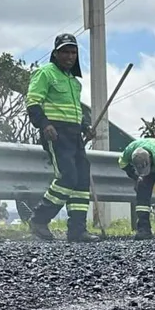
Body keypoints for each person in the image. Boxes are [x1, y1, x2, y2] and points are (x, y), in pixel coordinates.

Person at [24, 33, 97, 243]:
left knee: (82, 179)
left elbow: (75, 110)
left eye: (73, 52)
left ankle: (77, 230)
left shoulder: (74, 82)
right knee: (67, 177)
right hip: (56, 133)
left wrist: (86, 127)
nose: (70, 56)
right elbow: (33, 102)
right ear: (55, 54)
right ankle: (39, 219)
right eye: (65, 52)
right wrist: (44, 124)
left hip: (74, 135)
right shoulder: (45, 73)